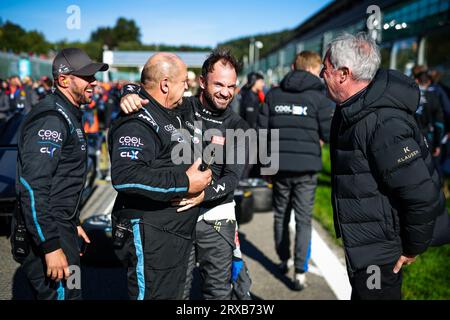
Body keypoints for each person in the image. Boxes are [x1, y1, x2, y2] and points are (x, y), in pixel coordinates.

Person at [119, 49, 251, 300]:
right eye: (219, 84)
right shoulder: (182, 107)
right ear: (202, 82)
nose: (226, 92)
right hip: (176, 215)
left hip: (216, 214)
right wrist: (128, 93)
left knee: (218, 290)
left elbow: (233, 177)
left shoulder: (238, 126)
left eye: (232, 86)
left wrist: (203, 195)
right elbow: (152, 90)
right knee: (177, 288)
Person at [321, 32, 445, 300]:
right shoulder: (353, 109)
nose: (321, 74)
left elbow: (420, 194)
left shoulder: (383, 122)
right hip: (367, 245)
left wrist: (412, 247)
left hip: (380, 254)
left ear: (343, 73)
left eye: (326, 68)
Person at [109, 52, 212, 300]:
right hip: (151, 236)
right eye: (183, 81)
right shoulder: (137, 120)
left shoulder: (173, 108)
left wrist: (129, 88)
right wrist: (186, 183)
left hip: (173, 236)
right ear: (165, 84)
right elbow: (125, 175)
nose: (188, 86)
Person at [13, 47, 109, 300]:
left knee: (72, 294)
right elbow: (32, 186)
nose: (93, 82)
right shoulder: (52, 118)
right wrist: (51, 245)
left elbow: (62, 181)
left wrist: (73, 222)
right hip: (49, 234)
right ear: (64, 79)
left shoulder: (69, 113)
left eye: (93, 77)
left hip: (62, 227)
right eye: (86, 77)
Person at [258, 51, 334, 290]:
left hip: (279, 167)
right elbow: (329, 134)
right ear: (313, 70)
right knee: (303, 219)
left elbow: (262, 133)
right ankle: (300, 271)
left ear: (293, 66)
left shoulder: (273, 95)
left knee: (280, 214)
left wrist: (265, 165)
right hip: (307, 169)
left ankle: (283, 259)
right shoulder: (319, 97)